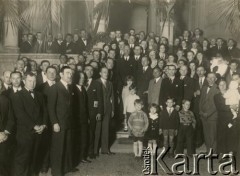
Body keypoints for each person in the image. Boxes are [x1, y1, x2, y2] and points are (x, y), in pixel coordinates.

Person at [11, 72, 48, 176]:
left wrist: (44, 125)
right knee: (23, 160)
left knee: (34, 159)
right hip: (25, 134)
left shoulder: (40, 95)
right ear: (24, 81)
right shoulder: (17, 96)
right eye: (29, 81)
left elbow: (45, 112)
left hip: (39, 133)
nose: (32, 83)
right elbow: (20, 114)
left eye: (34, 81)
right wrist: (34, 126)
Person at [48, 66, 76, 176]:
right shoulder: (54, 88)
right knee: (58, 148)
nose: (70, 75)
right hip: (59, 123)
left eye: (71, 73)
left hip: (68, 123)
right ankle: (56, 172)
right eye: (67, 73)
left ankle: (66, 167)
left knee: (67, 146)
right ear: (61, 74)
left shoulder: (69, 87)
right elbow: (51, 107)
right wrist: (54, 122)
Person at [37, 66, 57, 174]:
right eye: (50, 72)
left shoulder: (60, 86)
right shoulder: (41, 87)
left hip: (57, 120)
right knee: (46, 143)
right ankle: (44, 166)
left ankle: (55, 164)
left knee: (56, 143)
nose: (52, 74)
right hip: (45, 120)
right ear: (45, 73)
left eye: (54, 72)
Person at [214, 80, 239, 159]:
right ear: (218, 86)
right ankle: (225, 156)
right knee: (223, 137)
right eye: (220, 85)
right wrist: (231, 107)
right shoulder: (216, 96)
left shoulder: (232, 92)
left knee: (231, 137)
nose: (222, 86)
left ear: (227, 85)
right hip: (222, 120)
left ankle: (232, 156)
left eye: (224, 84)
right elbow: (220, 107)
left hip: (232, 119)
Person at [84, 65, 103, 159]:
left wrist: (99, 112)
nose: (89, 72)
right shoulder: (79, 82)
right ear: (84, 71)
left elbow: (100, 98)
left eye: (91, 70)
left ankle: (90, 151)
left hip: (92, 111)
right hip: (82, 112)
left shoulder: (97, 83)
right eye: (87, 70)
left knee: (91, 131)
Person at [72, 72, 91, 165]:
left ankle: (82, 157)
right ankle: (75, 158)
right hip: (75, 119)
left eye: (83, 77)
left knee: (84, 138)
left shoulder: (83, 88)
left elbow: (86, 105)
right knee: (76, 139)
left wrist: (87, 117)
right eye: (80, 77)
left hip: (83, 119)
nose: (82, 79)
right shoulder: (72, 88)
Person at [199, 72, 219, 153]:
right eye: (209, 77)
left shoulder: (217, 89)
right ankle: (208, 151)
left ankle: (213, 152)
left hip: (212, 116)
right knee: (206, 135)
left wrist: (208, 113)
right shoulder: (204, 88)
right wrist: (200, 111)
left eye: (212, 78)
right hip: (203, 116)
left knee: (212, 135)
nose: (210, 79)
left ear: (216, 79)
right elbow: (201, 101)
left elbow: (216, 104)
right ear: (206, 78)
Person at [96, 67, 115, 155]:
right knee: (97, 130)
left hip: (108, 109)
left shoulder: (110, 83)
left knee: (106, 129)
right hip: (99, 110)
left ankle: (105, 149)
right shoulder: (96, 82)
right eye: (104, 72)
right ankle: (94, 150)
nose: (106, 74)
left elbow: (112, 97)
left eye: (107, 72)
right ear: (100, 73)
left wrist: (112, 109)